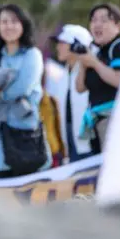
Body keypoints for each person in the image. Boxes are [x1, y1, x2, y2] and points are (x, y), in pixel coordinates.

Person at [0, 4, 48, 179]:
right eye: (4, 22)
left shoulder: (32, 54)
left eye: (13, 21)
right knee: (0, 192)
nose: (8, 26)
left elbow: (22, 88)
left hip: (23, 135)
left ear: (23, 25)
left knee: (26, 195)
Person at [76, 2, 120, 154]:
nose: (97, 24)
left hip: (115, 121)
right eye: (93, 20)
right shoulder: (98, 52)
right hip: (97, 122)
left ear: (118, 26)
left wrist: (94, 63)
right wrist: (83, 63)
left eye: (103, 20)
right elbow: (80, 88)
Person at [50, 24, 93, 162]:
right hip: (70, 145)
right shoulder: (64, 75)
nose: (58, 47)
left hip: (89, 145)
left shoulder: (90, 72)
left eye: (63, 43)